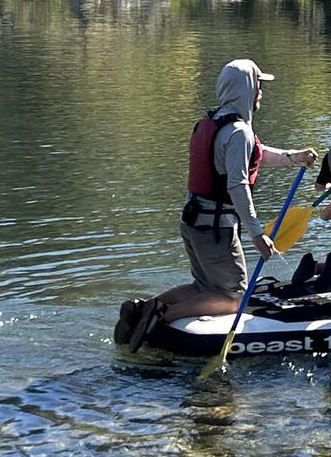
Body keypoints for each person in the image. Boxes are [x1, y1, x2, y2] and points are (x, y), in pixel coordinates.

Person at [117, 59, 318, 348]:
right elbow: (237, 185)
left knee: (204, 287)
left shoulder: (216, 121)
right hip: (215, 229)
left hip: (194, 222)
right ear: (246, 88)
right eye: (258, 85)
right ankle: (162, 315)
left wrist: (293, 158)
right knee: (234, 296)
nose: (261, 91)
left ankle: (141, 308)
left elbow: (254, 154)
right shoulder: (239, 131)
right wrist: (257, 233)